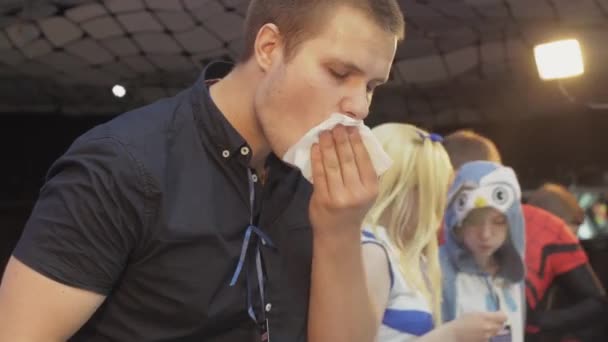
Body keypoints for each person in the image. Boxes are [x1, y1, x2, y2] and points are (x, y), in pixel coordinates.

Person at [0, 1, 405, 341]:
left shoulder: (311, 177)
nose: (360, 107)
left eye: (371, 86)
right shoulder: (122, 166)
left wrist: (341, 230)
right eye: (339, 73)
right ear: (268, 48)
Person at [442, 129, 607, 342]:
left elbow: (596, 303)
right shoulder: (428, 229)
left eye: (498, 223)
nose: (485, 234)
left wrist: (535, 323)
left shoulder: (547, 227)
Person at [361, 124, 508, 342]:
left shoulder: (405, 254)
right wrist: (454, 334)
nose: (443, 201)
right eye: (437, 188)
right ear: (404, 189)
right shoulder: (370, 253)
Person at [440, 161, 526, 342]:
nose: (485, 235)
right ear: (456, 222)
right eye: (473, 221)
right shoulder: (436, 270)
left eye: (498, 221)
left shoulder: (513, 274)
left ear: (513, 223)